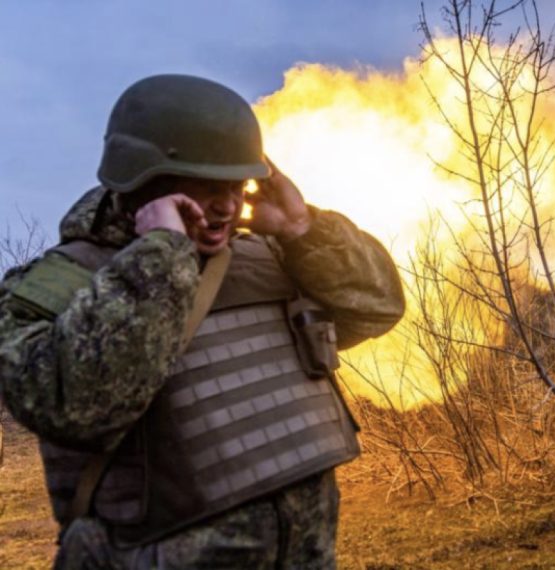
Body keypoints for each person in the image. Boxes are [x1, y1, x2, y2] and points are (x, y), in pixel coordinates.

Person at [0, 74, 405, 568]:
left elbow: (377, 309)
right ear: (144, 179)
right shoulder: (60, 287)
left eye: (237, 185)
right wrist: (161, 257)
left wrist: (303, 230)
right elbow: (73, 407)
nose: (229, 205)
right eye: (208, 186)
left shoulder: (269, 256)